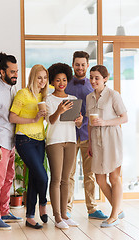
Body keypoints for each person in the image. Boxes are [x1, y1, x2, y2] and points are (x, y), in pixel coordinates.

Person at [65, 51, 108, 219]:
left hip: (88, 136)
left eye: (83, 64)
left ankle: (92, 209)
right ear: (73, 65)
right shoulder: (66, 84)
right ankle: (67, 209)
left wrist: (83, 121)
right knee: (68, 174)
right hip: (69, 134)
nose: (80, 67)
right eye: (77, 64)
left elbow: (97, 112)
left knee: (89, 174)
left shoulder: (93, 85)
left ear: (87, 65)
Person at [86, 65, 128, 227]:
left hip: (112, 139)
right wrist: (90, 143)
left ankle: (113, 216)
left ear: (105, 78)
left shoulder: (113, 95)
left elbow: (124, 118)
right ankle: (118, 210)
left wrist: (105, 122)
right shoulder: (90, 98)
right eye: (91, 77)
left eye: (97, 77)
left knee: (114, 177)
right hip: (96, 142)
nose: (93, 80)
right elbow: (90, 123)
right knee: (99, 179)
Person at [0, 52, 23, 230]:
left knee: (8, 178)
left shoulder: (11, 88)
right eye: (12, 71)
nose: (15, 74)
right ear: (2, 72)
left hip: (10, 141)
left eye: (16, 71)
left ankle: (4, 211)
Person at [9, 64, 49, 230]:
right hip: (24, 140)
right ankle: (43, 205)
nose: (43, 81)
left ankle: (30, 217)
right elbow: (12, 117)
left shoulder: (43, 95)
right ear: (33, 77)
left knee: (34, 177)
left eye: (45, 78)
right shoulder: (23, 93)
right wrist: (33, 119)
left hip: (40, 140)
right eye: (39, 77)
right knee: (43, 176)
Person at [45, 63, 83, 229]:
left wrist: (80, 121)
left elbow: (77, 125)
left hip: (71, 141)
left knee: (66, 179)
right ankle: (58, 217)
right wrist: (59, 111)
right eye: (58, 80)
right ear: (52, 81)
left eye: (64, 80)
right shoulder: (48, 99)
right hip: (54, 141)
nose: (62, 83)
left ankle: (65, 215)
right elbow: (50, 121)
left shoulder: (73, 99)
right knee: (56, 179)